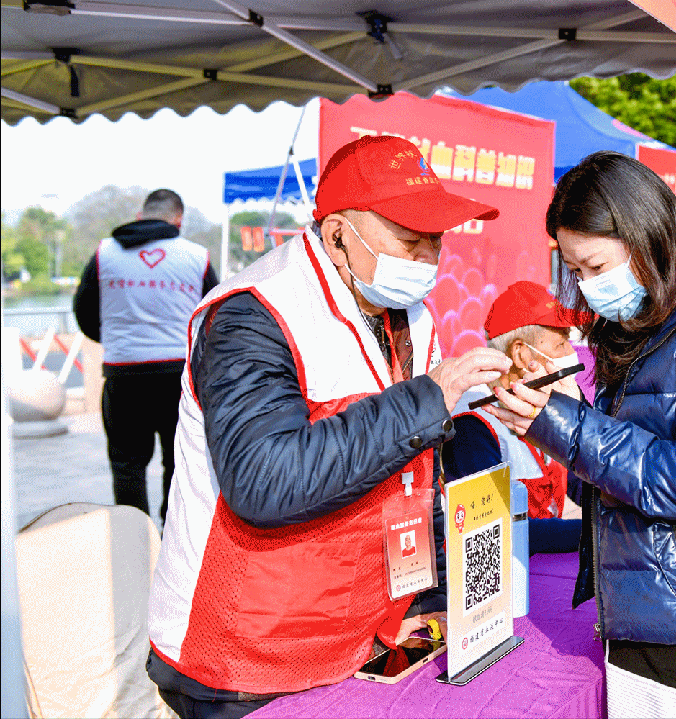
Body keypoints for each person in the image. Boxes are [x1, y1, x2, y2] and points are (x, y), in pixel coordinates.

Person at [145, 135, 512, 718]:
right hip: (248, 660)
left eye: (434, 243)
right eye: (409, 241)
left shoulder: (408, 313)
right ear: (339, 234)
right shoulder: (252, 314)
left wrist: (435, 591)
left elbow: (414, 468)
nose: (424, 261)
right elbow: (266, 482)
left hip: (362, 634)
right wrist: (427, 399)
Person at [484, 151, 676, 718]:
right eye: (576, 271)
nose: (587, 285)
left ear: (648, 235)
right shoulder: (638, 327)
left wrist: (565, 425)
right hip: (645, 615)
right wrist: (550, 420)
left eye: (597, 267)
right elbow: (613, 483)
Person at [73, 188, 218, 524]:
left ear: (141, 215)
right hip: (179, 378)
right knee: (180, 462)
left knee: (127, 466)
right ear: (178, 219)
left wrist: (119, 340)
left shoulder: (105, 253)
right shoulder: (197, 257)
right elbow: (215, 315)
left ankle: (134, 541)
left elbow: (83, 311)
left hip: (124, 376)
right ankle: (173, 541)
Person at [440, 280, 587, 553]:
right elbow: (495, 528)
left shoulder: (534, 405)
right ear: (520, 354)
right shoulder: (472, 424)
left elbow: (582, 483)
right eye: (561, 343)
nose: (571, 354)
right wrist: (597, 534)